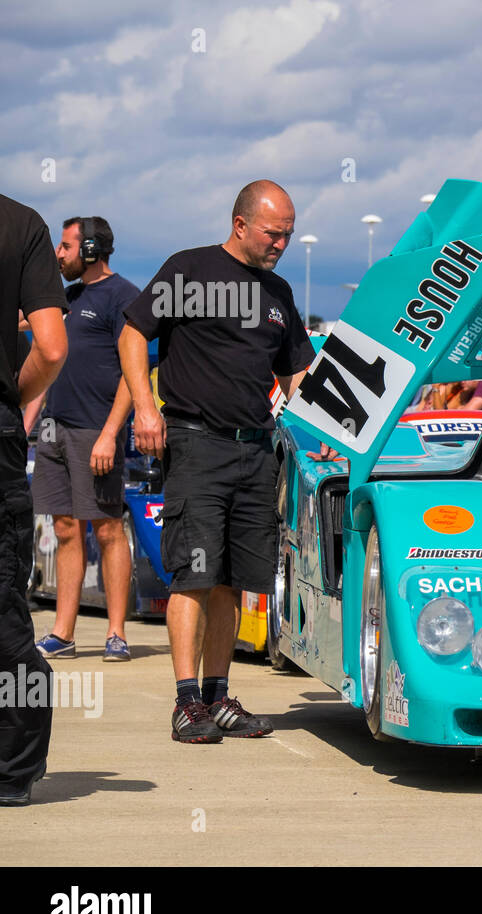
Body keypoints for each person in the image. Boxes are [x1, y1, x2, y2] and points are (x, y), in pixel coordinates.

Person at [119, 180, 318, 744]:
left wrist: (337, 426)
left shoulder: (279, 291)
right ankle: (186, 704)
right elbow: (134, 333)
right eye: (273, 233)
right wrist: (143, 405)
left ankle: (217, 695)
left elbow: (297, 373)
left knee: (234, 580)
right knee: (194, 575)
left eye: (289, 234)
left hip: (257, 449)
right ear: (240, 224)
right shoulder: (190, 271)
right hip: (197, 442)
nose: (282, 242)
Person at [31, 217, 139, 663]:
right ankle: (64, 632)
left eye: (65, 246)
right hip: (54, 431)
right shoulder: (67, 298)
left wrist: (110, 435)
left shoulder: (124, 297)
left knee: (109, 528)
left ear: (91, 249)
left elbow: (133, 377)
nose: (59, 254)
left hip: (96, 432)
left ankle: (116, 634)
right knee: (64, 528)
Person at [0, 194, 69, 805]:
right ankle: (13, 771)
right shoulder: (20, 224)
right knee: (3, 610)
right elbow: (50, 348)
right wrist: (10, 403)